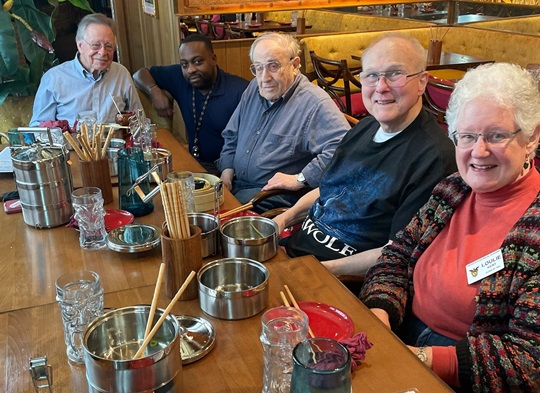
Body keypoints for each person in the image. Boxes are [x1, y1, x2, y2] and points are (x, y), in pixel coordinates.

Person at [360, 62, 540, 393]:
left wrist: (423, 358)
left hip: (468, 388)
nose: (479, 151)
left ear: (531, 137)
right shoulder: (452, 188)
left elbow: (530, 364)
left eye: (496, 135)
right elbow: (396, 256)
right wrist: (379, 311)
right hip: (400, 336)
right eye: (467, 136)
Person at [275, 34, 456, 276]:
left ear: (422, 82)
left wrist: (317, 270)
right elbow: (329, 189)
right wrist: (283, 220)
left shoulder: (434, 157)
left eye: (395, 74)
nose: (381, 87)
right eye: (371, 75)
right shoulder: (364, 127)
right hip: (294, 253)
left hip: (337, 280)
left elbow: (396, 251)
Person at [216, 32, 349, 212]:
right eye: (258, 68)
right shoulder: (254, 87)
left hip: (268, 196)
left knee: (213, 222)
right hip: (235, 183)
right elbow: (232, 134)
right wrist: (226, 170)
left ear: (294, 65)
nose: (264, 78)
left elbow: (345, 152)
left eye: (273, 66)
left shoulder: (314, 103)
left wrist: (300, 179)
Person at [133, 34, 249, 173]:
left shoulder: (240, 90)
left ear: (213, 59)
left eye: (198, 62)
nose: (191, 69)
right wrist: (154, 91)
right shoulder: (180, 77)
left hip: (229, 169)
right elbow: (139, 74)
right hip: (195, 162)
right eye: (184, 64)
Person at [30, 14, 142, 127]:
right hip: (71, 143)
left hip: (114, 143)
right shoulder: (54, 78)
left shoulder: (121, 74)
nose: (103, 52)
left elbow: (139, 121)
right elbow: (38, 127)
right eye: (95, 45)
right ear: (80, 45)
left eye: (109, 46)